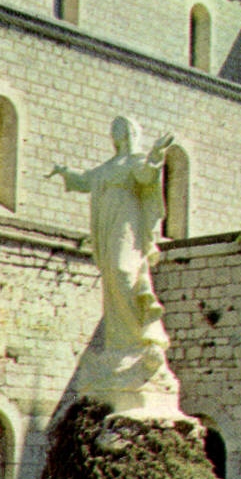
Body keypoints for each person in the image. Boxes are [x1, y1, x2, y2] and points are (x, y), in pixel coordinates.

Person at [48, 117, 174, 361]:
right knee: (112, 278)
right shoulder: (108, 166)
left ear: (129, 133)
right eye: (113, 128)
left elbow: (148, 176)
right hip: (107, 224)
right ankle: (120, 343)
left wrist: (157, 153)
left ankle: (141, 336)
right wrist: (64, 171)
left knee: (123, 271)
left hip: (128, 221)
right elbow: (84, 180)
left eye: (118, 128)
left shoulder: (135, 161)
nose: (113, 132)